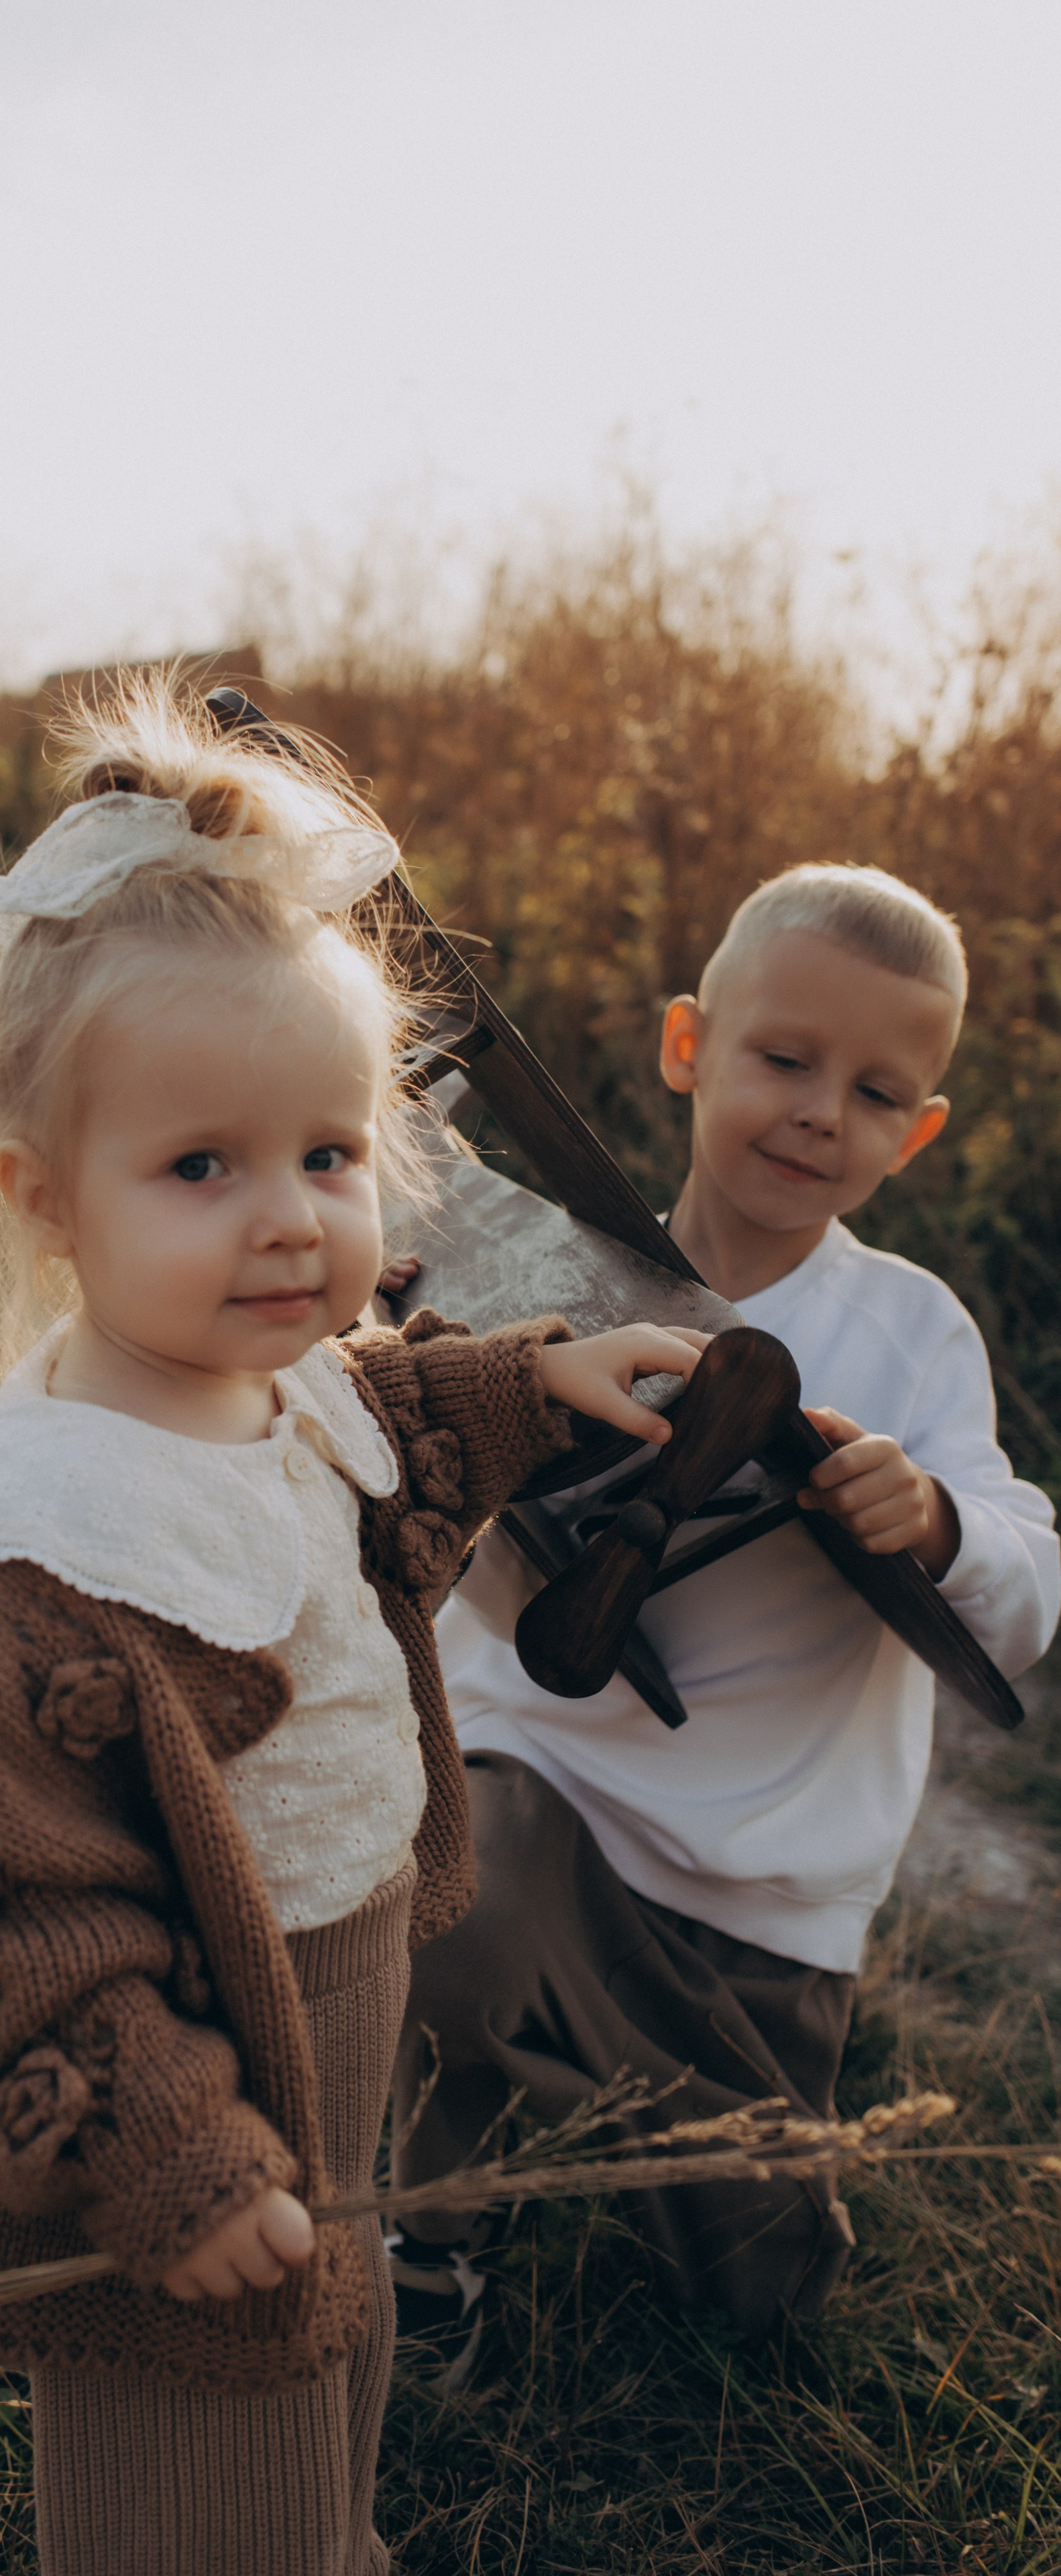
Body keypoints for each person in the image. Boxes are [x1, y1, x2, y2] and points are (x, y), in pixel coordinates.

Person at [0, 678, 705, 2576]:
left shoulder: (266, 1377)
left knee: (325, 2341)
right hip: (186, 2043)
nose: (294, 1221)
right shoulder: (71, 1537)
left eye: (327, 1153)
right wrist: (162, 2155)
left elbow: (384, 1423)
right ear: (48, 1204)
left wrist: (547, 1387)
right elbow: (14, 1900)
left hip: (340, 1965)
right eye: (201, 1169)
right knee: (202, 2417)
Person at [388, 863, 1061, 2361]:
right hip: (540, 1784)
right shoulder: (559, 1269)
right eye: (782, 1059)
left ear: (918, 1133)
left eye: (877, 1091)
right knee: (448, 1915)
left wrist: (939, 1522)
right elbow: (423, 1455)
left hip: (756, 1888)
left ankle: (709, 2170)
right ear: (686, 1048)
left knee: (755, 2315)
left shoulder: (907, 1333)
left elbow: (1022, 1601)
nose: (822, 1111)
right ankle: (430, 2228)